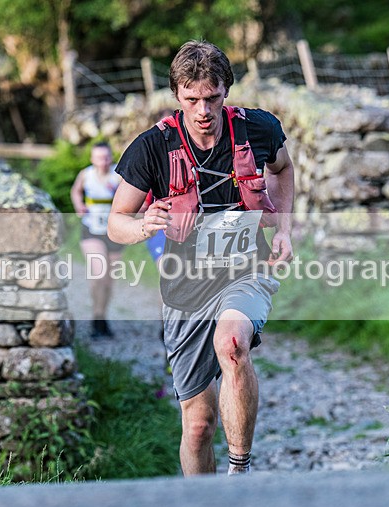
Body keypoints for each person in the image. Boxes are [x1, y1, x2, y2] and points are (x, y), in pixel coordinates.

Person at [108, 40, 294, 476]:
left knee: (231, 346)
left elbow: (282, 170)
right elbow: (116, 220)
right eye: (192, 99)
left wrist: (284, 227)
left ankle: (239, 471)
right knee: (197, 427)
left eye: (211, 97)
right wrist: (143, 226)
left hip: (245, 270)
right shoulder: (152, 147)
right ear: (177, 96)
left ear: (226, 90)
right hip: (185, 287)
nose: (203, 109)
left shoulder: (260, 129)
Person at [71, 142, 125, 338]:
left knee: (109, 280)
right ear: (92, 159)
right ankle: (96, 316)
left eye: (106, 157)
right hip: (91, 229)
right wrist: (79, 206)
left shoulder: (118, 176)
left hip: (114, 231)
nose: (103, 162)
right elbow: (76, 191)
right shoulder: (86, 175)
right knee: (99, 272)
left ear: (111, 158)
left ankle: (102, 316)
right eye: (99, 158)